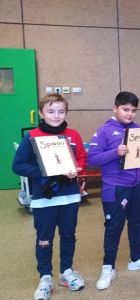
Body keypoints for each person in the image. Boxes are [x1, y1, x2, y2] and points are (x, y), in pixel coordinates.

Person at [13, 94, 86, 300]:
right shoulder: (32, 136)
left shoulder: (73, 135)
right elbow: (18, 165)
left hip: (70, 196)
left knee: (68, 235)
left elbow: (81, 157)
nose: (56, 115)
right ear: (41, 113)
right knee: (44, 238)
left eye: (61, 111)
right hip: (44, 199)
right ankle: (45, 277)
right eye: (51, 111)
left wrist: (77, 169)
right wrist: (45, 171)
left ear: (66, 113)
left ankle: (67, 272)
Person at [88, 92, 140, 291]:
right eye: (125, 109)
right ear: (115, 108)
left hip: (138, 185)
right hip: (116, 187)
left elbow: (139, 158)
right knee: (113, 227)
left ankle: (135, 259)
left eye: (133, 111)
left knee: (137, 223)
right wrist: (114, 152)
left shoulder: (138, 130)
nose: (130, 114)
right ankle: (108, 267)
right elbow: (91, 159)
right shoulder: (104, 131)